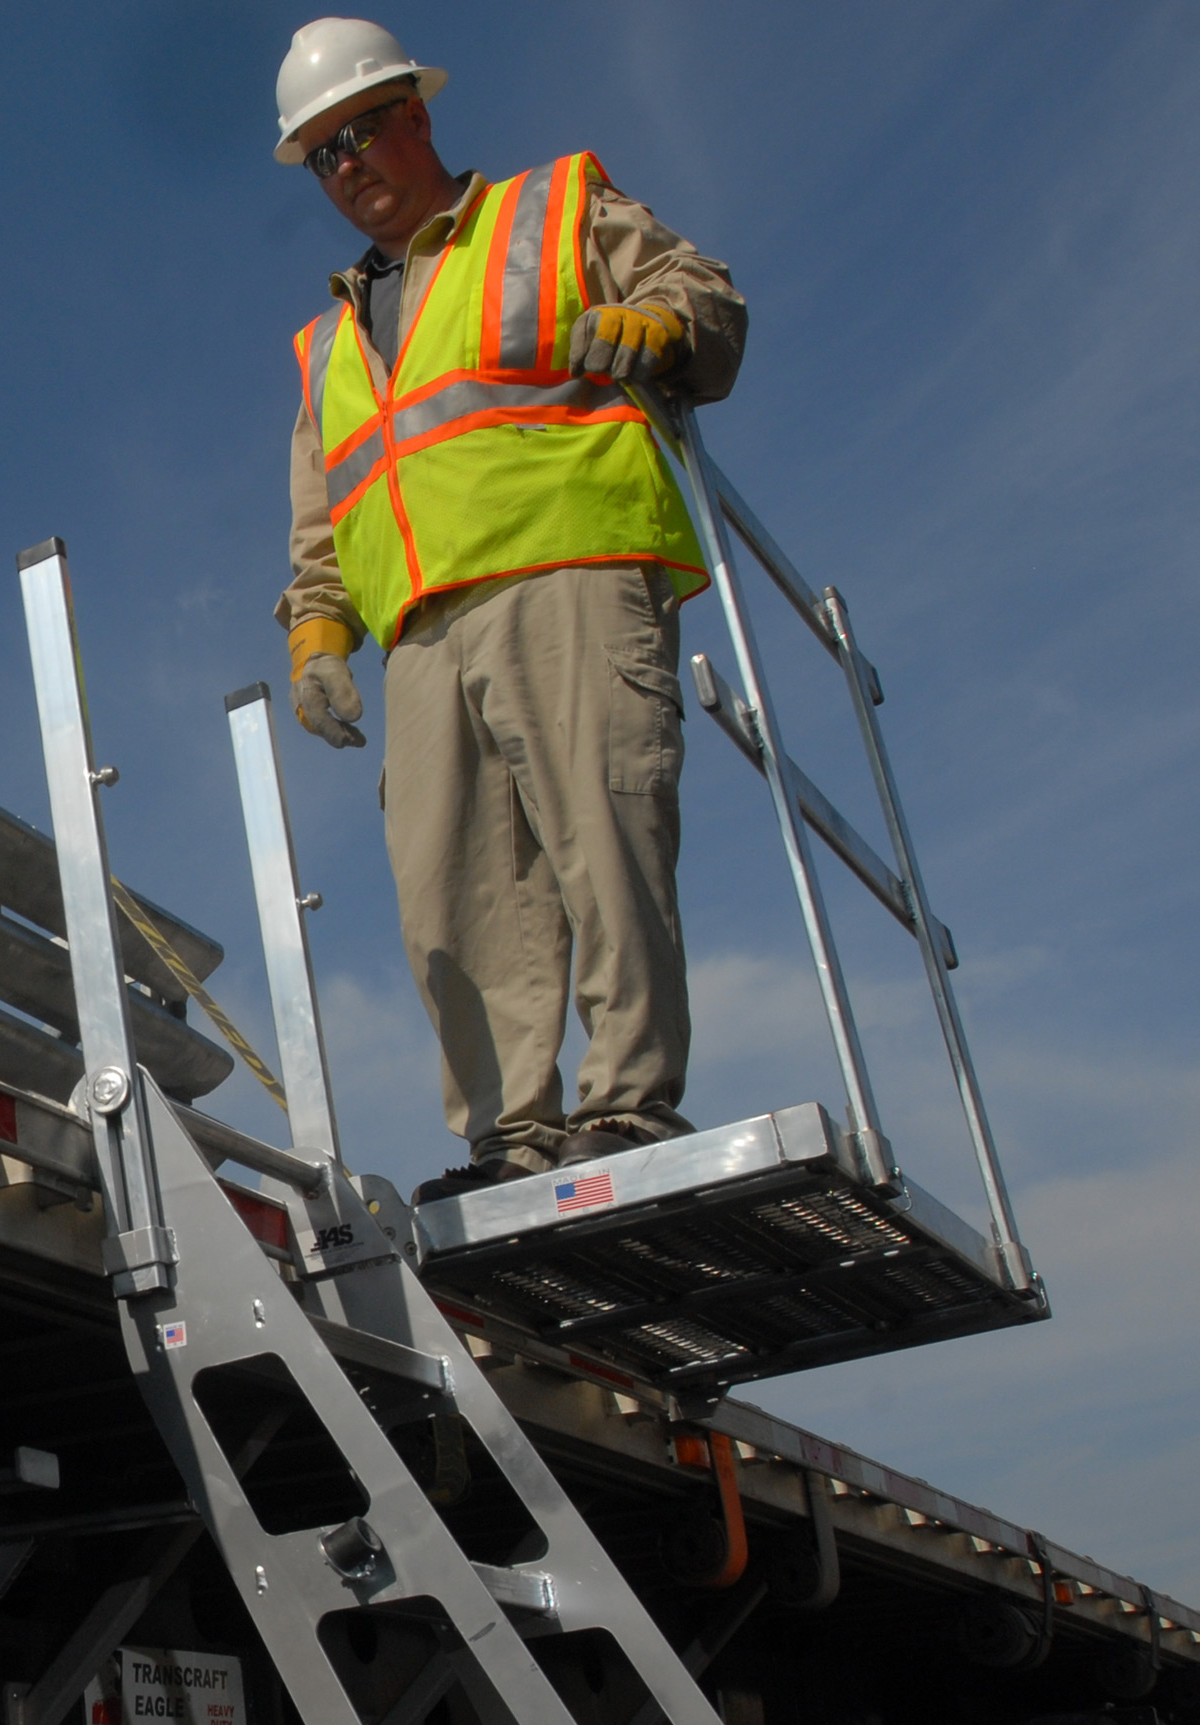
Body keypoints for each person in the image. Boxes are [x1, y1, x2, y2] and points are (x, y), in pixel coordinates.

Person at [271, 19, 746, 1203]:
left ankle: (626, 1103)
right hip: (422, 630)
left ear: (414, 116)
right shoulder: (330, 340)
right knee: (452, 890)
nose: (346, 170)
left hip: (567, 564)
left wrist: (664, 329)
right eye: (321, 157)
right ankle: (509, 1136)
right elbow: (323, 518)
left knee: (604, 831)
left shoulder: (547, 211)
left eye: (358, 135)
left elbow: (698, 293)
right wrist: (317, 635)